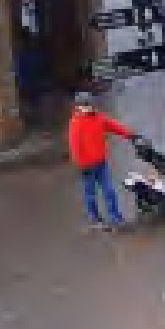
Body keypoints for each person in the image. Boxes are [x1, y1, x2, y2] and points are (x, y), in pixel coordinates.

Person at [67, 92, 138, 231]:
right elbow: (74, 146)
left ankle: (115, 218)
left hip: (100, 162)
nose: (89, 107)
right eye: (85, 105)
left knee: (109, 191)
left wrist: (130, 135)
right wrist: (81, 165)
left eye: (90, 104)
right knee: (90, 193)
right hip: (86, 166)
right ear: (79, 107)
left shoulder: (97, 117)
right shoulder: (75, 123)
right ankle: (95, 219)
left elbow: (112, 125)